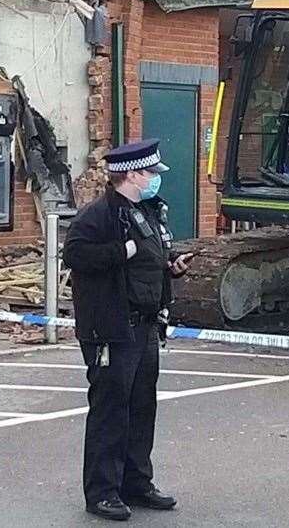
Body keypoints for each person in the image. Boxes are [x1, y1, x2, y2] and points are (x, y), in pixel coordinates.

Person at [63, 138, 192, 522]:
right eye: (151, 173)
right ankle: (102, 491)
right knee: (110, 411)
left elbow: (152, 257)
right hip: (112, 329)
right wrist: (122, 253)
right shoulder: (99, 215)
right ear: (132, 174)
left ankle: (136, 482)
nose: (156, 179)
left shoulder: (147, 210)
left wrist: (171, 267)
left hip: (145, 325)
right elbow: (76, 256)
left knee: (141, 406)